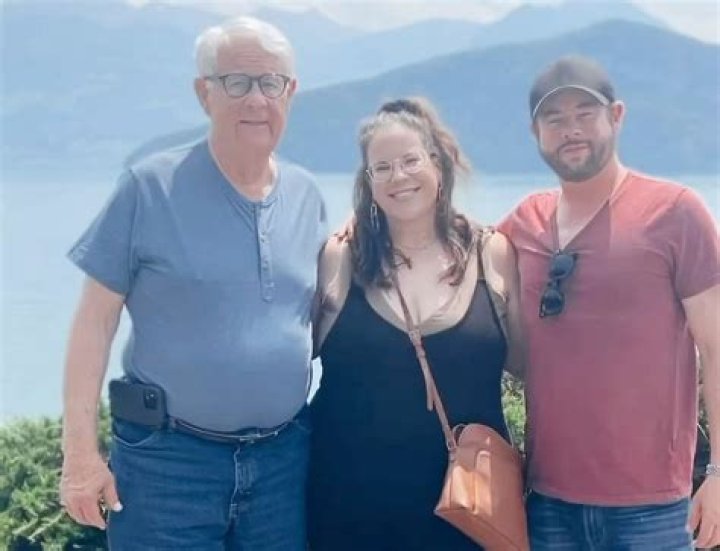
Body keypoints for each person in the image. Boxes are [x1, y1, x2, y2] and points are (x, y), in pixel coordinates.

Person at [59, 16, 327, 550]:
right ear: (205, 93)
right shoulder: (148, 188)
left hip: (282, 465)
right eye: (237, 82)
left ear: (291, 92)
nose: (257, 99)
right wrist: (80, 457)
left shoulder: (307, 195)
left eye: (271, 82)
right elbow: (94, 324)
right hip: (167, 467)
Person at [499, 55, 719, 550]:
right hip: (547, 502)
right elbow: (445, 252)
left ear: (616, 116)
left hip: (653, 507)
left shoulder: (676, 213)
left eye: (585, 113)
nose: (571, 130)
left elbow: (716, 347)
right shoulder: (524, 223)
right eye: (555, 119)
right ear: (535, 132)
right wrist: (361, 229)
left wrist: (719, 474)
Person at [307, 97, 524, 550]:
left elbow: (530, 368)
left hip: (467, 515)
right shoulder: (341, 258)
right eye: (382, 168)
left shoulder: (492, 255)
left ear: (437, 165)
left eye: (410, 161)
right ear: (367, 182)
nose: (398, 176)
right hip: (348, 509)